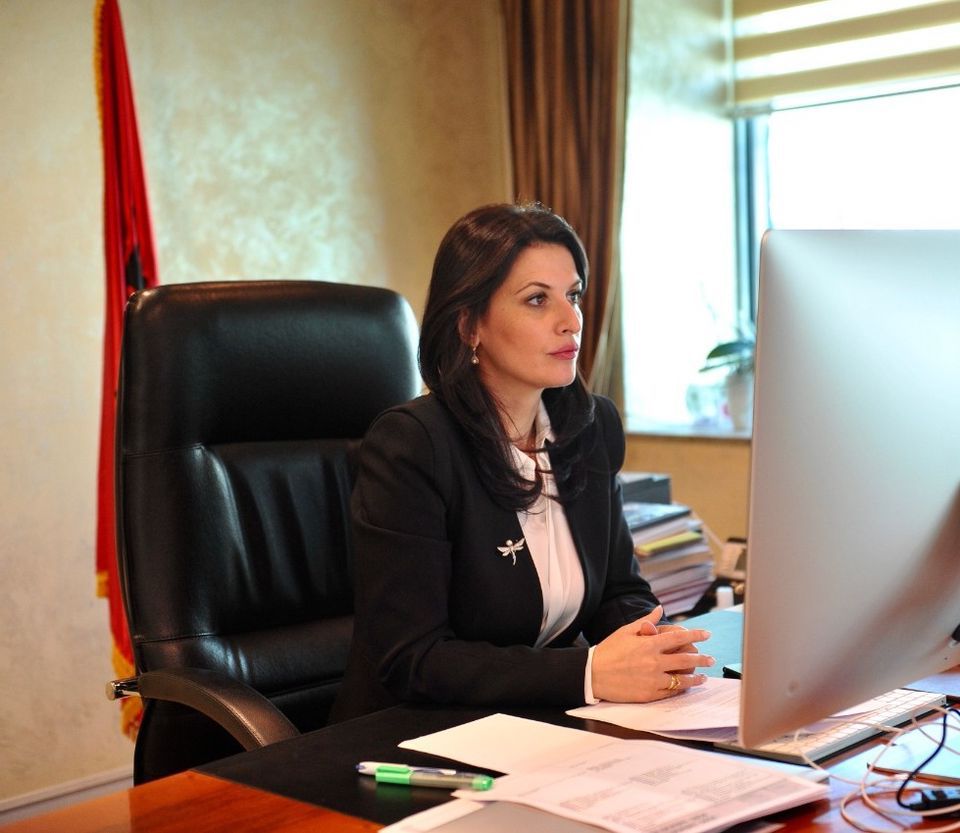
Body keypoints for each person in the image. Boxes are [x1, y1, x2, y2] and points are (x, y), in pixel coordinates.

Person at [331, 203, 714, 722]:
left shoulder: (590, 427)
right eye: (537, 299)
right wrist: (589, 672)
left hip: (532, 721)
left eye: (572, 295)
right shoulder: (413, 446)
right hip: (410, 733)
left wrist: (657, 648)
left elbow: (617, 590)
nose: (571, 321)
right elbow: (414, 659)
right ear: (469, 325)